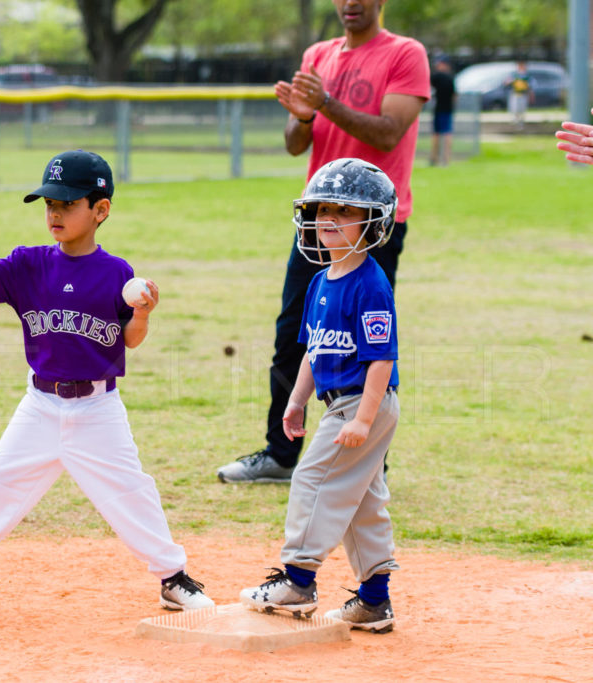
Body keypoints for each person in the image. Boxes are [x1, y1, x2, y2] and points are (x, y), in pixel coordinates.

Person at [0, 148, 215, 615]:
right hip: (41, 405)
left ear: (100, 210)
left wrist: (144, 313)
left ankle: (173, 579)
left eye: (68, 204)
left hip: (97, 409)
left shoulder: (116, 273)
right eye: (50, 203)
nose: (54, 212)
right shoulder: (29, 264)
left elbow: (129, 338)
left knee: (131, 490)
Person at [215, 0, 428, 485]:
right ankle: (280, 454)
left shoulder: (404, 53)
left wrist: (327, 101)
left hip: (371, 225)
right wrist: (306, 115)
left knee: (364, 337)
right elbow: (296, 143)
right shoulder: (319, 54)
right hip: (318, 223)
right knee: (295, 331)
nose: (350, 3)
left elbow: (390, 133)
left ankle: (367, 459)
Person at [240, 157, 402, 633]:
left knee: (312, 482)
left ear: (373, 222)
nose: (328, 220)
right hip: (341, 401)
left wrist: (362, 420)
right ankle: (374, 601)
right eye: (322, 209)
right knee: (362, 502)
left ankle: (298, 581)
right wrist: (295, 401)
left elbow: (381, 360)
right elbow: (314, 349)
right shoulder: (318, 281)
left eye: (344, 211)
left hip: (361, 401)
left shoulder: (370, 284)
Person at [429, 56, 456, 166]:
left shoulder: (436, 76)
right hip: (448, 109)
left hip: (439, 108)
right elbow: (454, 95)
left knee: (437, 134)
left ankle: (434, 158)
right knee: (447, 133)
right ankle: (446, 159)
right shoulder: (450, 78)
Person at [506, 61, 532, 128]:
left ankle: (521, 122)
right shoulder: (514, 75)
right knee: (515, 109)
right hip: (515, 94)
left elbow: (530, 86)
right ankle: (515, 121)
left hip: (523, 94)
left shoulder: (527, 76)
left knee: (522, 109)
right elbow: (506, 83)